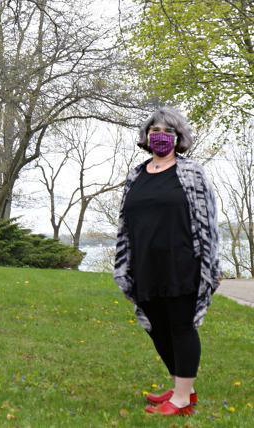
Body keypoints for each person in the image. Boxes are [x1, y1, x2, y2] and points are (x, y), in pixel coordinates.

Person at [114, 107, 222, 416]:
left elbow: (207, 222)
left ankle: (184, 398)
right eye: (154, 130)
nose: (159, 135)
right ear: (146, 137)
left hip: (183, 263)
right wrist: (125, 266)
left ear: (178, 137)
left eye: (167, 131)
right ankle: (180, 387)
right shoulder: (136, 174)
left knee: (181, 326)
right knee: (156, 327)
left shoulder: (191, 172)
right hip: (146, 264)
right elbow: (125, 224)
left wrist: (212, 266)